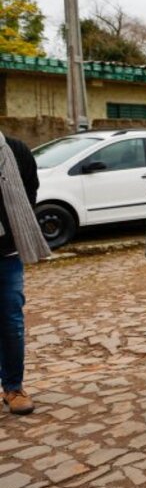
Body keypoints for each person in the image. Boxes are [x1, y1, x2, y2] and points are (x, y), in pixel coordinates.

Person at [0, 131, 50, 416]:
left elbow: (30, 190)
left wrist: (14, 224)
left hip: (6, 253)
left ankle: (13, 387)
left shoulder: (15, 150)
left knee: (11, 322)